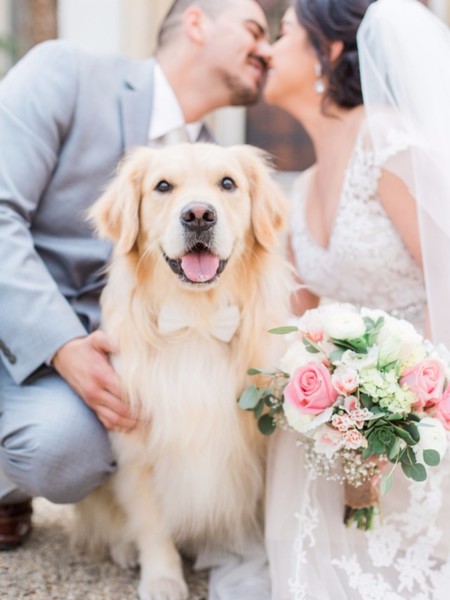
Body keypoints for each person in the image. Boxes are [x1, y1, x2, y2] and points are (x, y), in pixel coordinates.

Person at [0, 0, 271, 550]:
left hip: (121, 349)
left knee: (95, 443)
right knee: (62, 449)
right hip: (18, 331)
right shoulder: (64, 73)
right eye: (254, 30)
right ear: (196, 22)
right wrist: (60, 344)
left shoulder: (214, 171)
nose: (268, 49)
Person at [262, 0, 450, 598]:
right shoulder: (306, 183)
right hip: (338, 426)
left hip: (421, 416)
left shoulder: (387, 141)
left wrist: (406, 406)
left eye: (283, 32)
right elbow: (296, 317)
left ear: (331, 50)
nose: (266, 49)